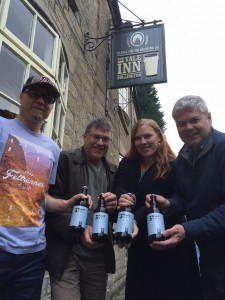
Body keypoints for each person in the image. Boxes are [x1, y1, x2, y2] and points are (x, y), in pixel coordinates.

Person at [0, 75, 91, 300]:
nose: (42, 100)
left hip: (33, 254)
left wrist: (67, 204)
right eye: (35, 93)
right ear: (21, 96)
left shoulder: (52, 148)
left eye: (49, 97)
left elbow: (40, 196)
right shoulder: (2, 127)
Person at [145, 95, 225, 300]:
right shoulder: (183, 157)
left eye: (194, 120)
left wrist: (188, 229)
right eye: (182, 124)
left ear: (209, 118)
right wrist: (169, 204)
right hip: (208, 254)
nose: (188, 127)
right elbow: (184, 196)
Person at [114, 118, 202, 300]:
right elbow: (119, 186)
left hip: (170, 241)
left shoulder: (173, 165)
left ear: (160, 138)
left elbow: (179, 200)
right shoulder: (127, 164)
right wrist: (123, 196)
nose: (143, 142)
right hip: (140, 245)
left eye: (148, 136)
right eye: (138, 138)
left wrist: (132, 221)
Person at [45, 118, 118, 300]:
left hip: (98, 256)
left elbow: (116, 213)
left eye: (105, 139)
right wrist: (79, 230)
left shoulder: (113, 171)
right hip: (67, 253)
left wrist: (117, 205)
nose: (100, 143)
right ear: (84, 137)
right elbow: (50, 205)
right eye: (95, 137)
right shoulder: (65, 160)